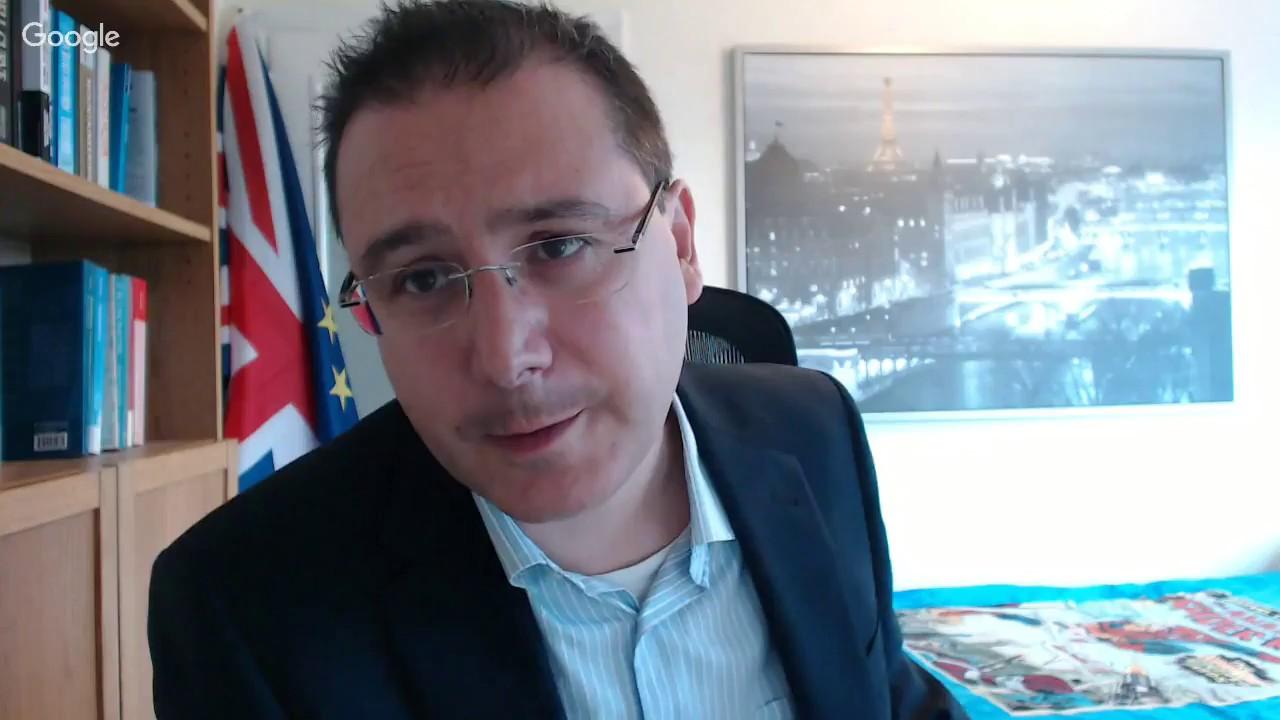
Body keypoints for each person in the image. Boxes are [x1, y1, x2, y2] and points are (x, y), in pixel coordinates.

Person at [147, 1, 968, 718]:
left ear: (681, 245)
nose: (506, 359)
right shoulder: (243, 606)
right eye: (423, 278)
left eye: (561, 245)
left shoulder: (814, 431)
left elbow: (886, 696)